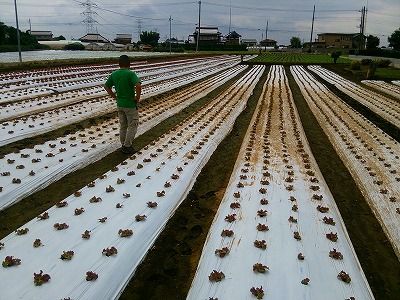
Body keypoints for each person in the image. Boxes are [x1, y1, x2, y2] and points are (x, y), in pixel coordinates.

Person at [104, 55, 142, 154]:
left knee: (123, 125)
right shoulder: (130, 74)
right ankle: (127, 146)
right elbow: (138, 85)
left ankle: (123, 144)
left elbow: (106, 86)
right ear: (129, 64)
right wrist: (137, 98)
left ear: (119, 64)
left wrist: (114, 96)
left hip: (120, 104)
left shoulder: (114, 74)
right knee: (133, 125)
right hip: (129, 104)